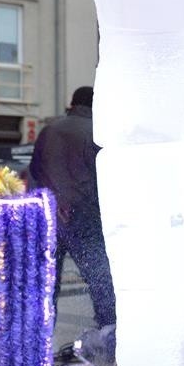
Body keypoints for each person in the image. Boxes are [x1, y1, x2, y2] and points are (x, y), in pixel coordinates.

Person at [29, 86, 116, 335]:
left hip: (50, 219)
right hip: (85, 219)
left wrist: (51, 207)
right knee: (100, 282)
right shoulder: (97, 133)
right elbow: (103, 180)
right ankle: (109, 337)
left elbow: (35, 174)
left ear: (73, 103)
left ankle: (41, 343)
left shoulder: (49, 131)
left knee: (46, 284)